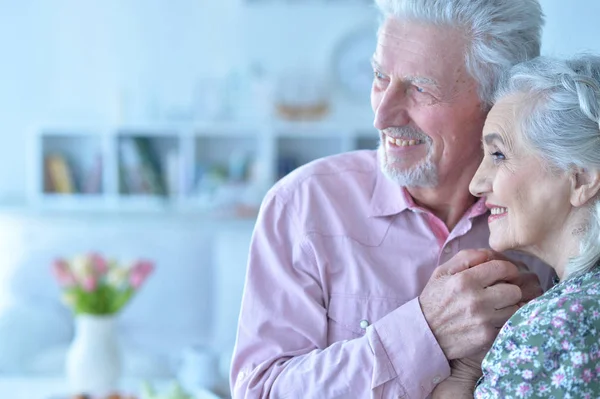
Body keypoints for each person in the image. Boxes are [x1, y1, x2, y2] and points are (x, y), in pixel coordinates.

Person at [230, 1, 555, 398]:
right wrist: (425, 332)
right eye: (380, 77)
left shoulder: (554, 214)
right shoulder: (303, 205)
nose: (382, 116)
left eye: (420, 88)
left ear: (498, 103)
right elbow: (261, 391)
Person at [432, 54, 600, 398]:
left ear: (580, 178)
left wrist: (464, 372)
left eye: (498, 155)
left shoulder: (556, 327)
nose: (476, 184)